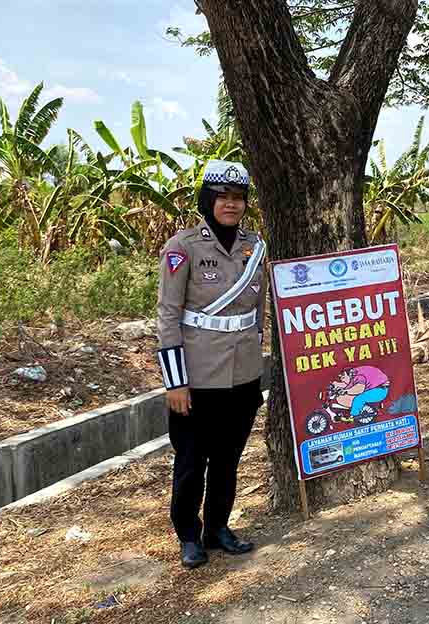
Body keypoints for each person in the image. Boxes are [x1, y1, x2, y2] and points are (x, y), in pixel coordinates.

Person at [156, 159, 268, 569]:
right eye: (223, 197)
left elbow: (259, 312)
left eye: (238, 198)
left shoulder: (254, 248)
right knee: (190, 461)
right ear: (209, 200)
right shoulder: (182, 248)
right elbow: (168, 317)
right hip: (196, 377)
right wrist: (175, 382)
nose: (231, 205)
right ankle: (188, 534)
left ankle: (218, 528)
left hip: (242, 374)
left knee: (228, 458)